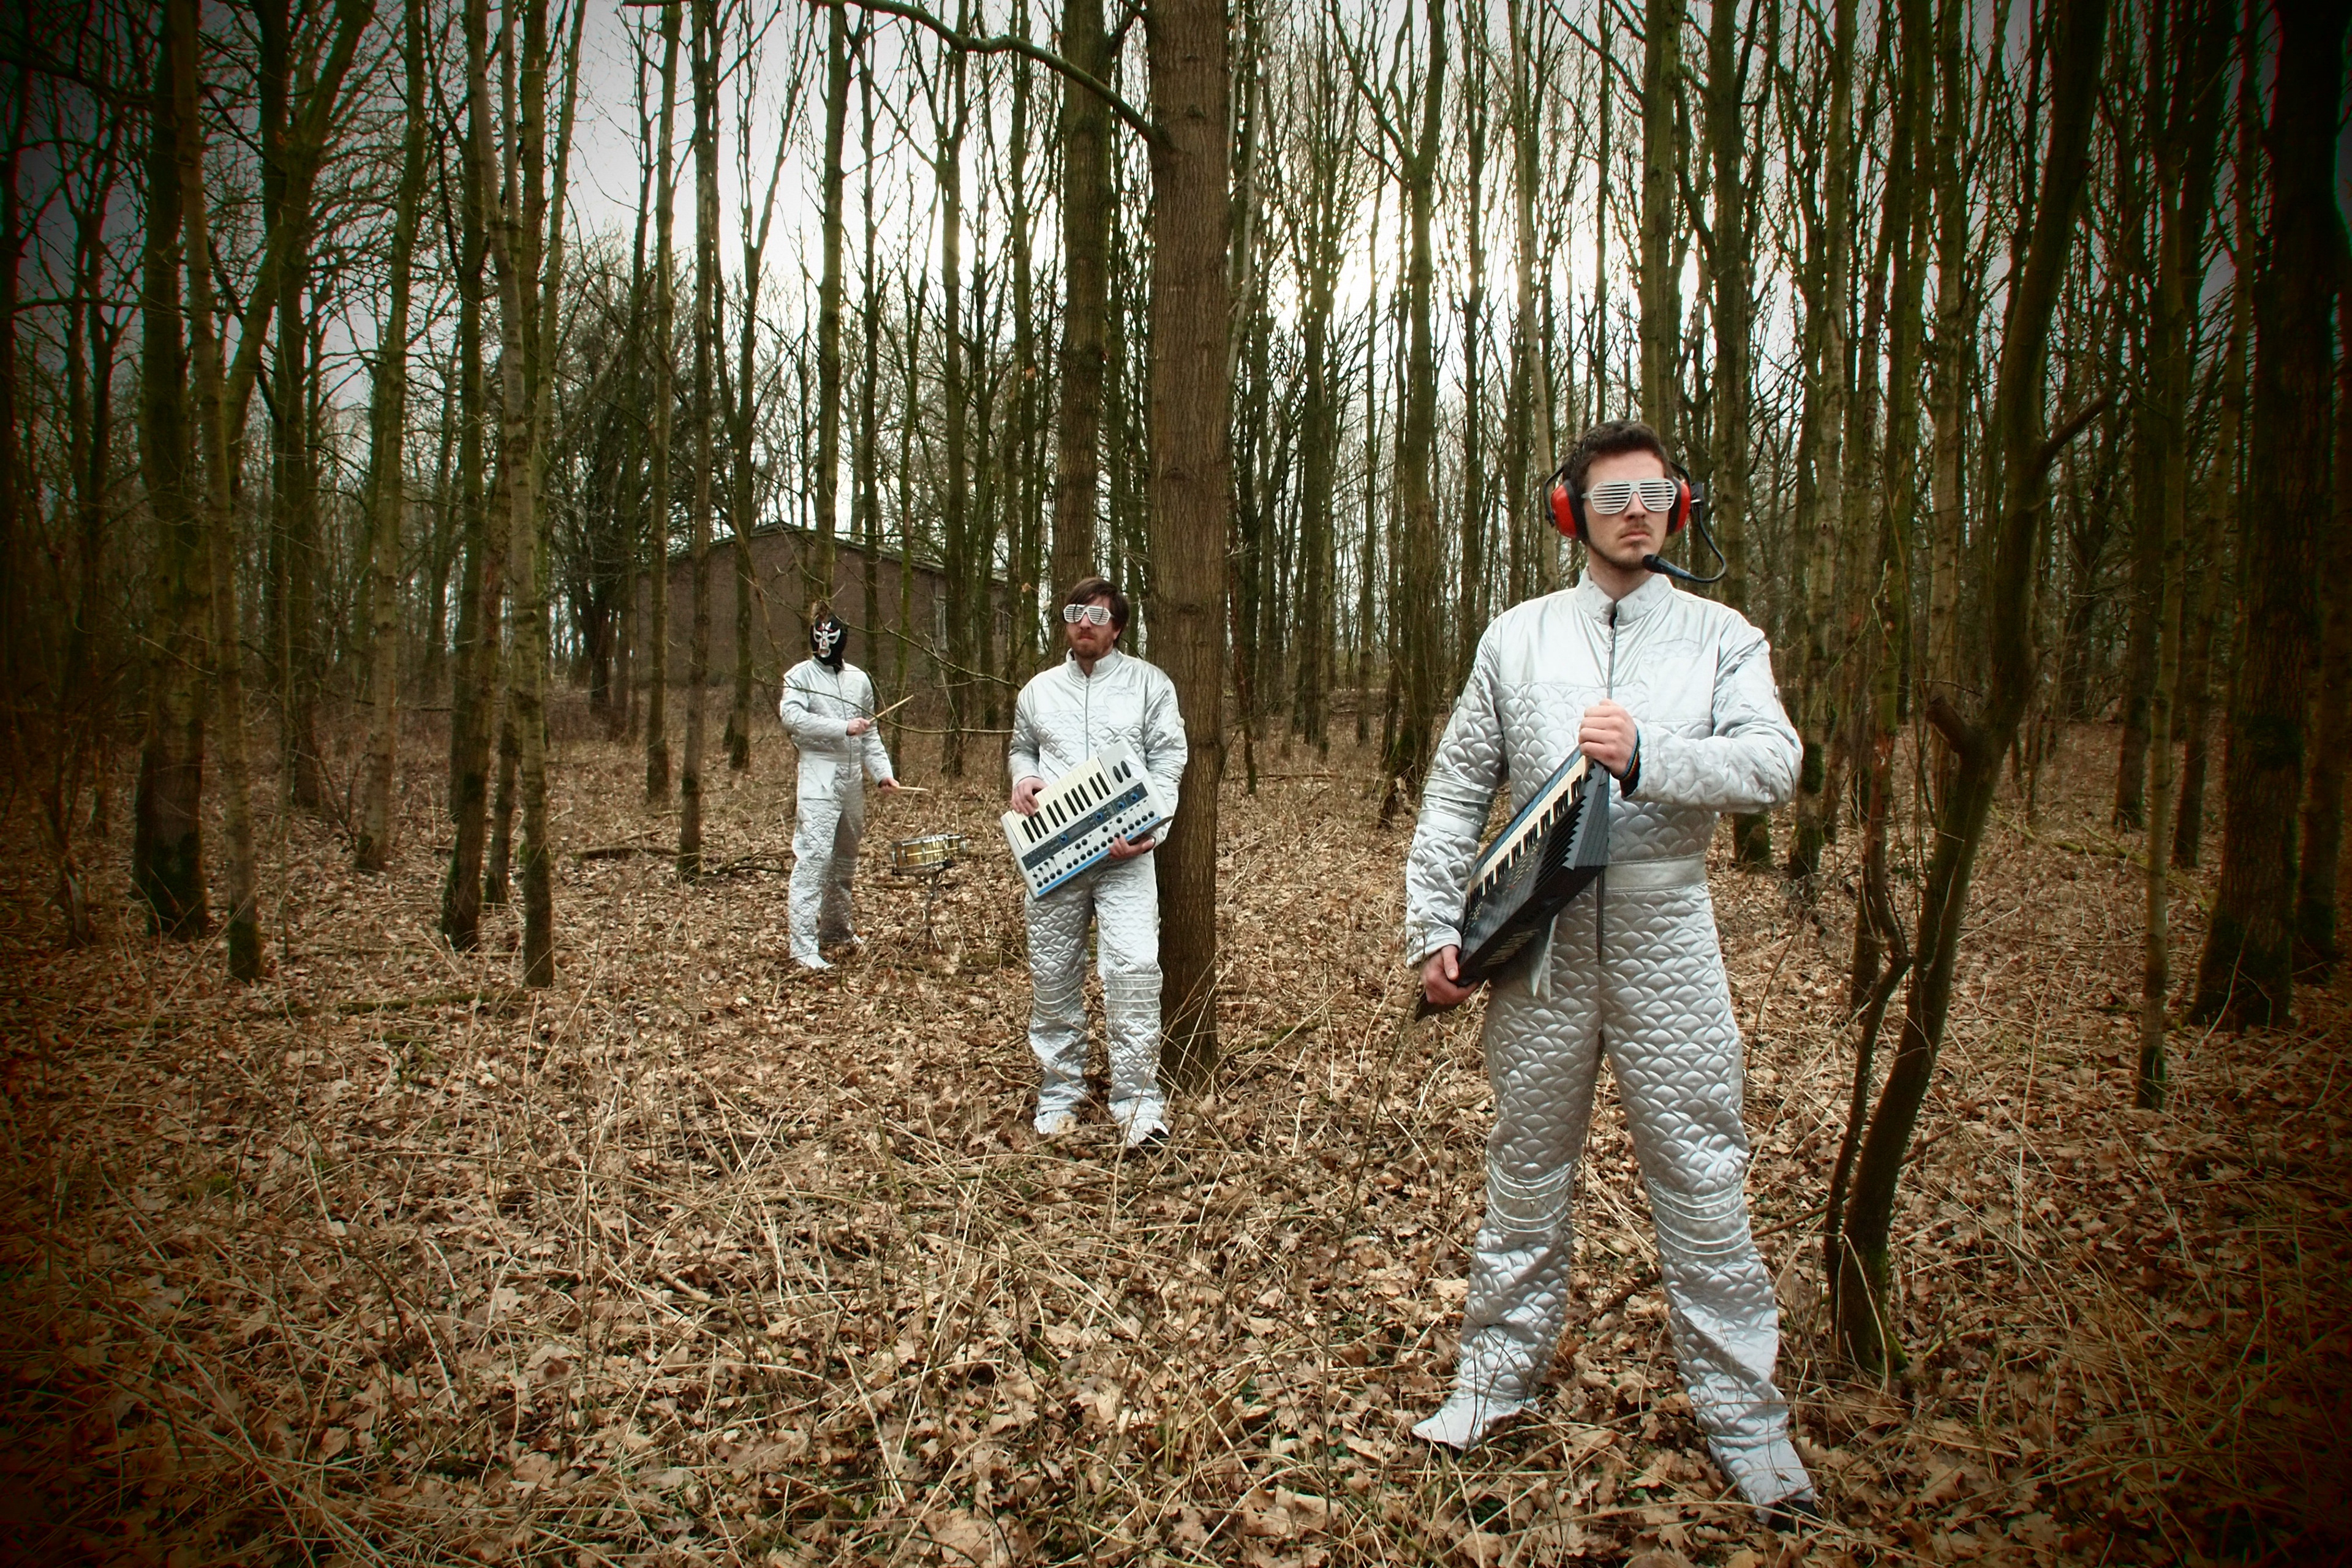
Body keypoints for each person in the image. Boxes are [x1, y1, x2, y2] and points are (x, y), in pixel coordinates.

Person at [1402, 420, 1819, 1523]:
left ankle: (1748, 1423)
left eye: (1655, 495)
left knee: (1702, 1179)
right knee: (1525, 1173)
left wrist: (1651, 758)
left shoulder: (1723, 635)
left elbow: (1775, 764)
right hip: (1537, 945)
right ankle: (1493, 1380)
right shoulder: (1518, 638)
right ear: (1569, 511)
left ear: (1682, 505)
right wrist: (1434, 925)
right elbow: (1456, 791)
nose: (1636, 512)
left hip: (1668, 936)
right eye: (1612, 496)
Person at [1008, 576, 1187, 1149]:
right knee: (1053, 975)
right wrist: (1023, 776)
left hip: (1126, 856)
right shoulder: (1038, 691)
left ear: (1118, 628)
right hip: (1054, 852)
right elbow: (1022, 746)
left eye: (1098, 616)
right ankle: (1059, 1095)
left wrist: (1151, 829)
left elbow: (1169, 760)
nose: (1084, 624)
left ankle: (1138, 1105)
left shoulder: (1150, 685)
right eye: (1074, 614)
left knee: (1134, 972)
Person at [778, 606, 900, 971]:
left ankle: (836, 930)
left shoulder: (858, 680)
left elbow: (870, 734)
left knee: (845, 858)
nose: (825, 643)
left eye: (831, 637)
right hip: (818, 772)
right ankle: (803, 947)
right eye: (819, 637)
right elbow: (793, 719)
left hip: (850, 777)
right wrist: (841, 728)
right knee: (814, 858)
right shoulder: (799, 676)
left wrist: (882, 773)